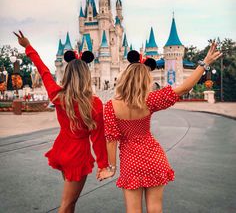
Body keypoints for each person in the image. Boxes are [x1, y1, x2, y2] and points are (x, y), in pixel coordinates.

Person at [98, 44, 222, 213]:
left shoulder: (110, 107)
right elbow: (184, 88)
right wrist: (204, 63)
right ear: (145, 81)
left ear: (124, 78)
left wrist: (111, 168)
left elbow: (111, 140)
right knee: (155, 209)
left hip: (131, 162)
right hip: (154, 158)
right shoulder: (150, 100)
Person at [14, 31, 108, 213]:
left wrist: (27, 46)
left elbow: (43, 71)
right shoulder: (94, 104)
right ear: (86, 76)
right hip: (77, 156)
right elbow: (98, 138)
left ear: (67, 75)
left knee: (70, 203)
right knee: (66, 204)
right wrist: (103, 165)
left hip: (63, 149)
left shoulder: (58, 96)